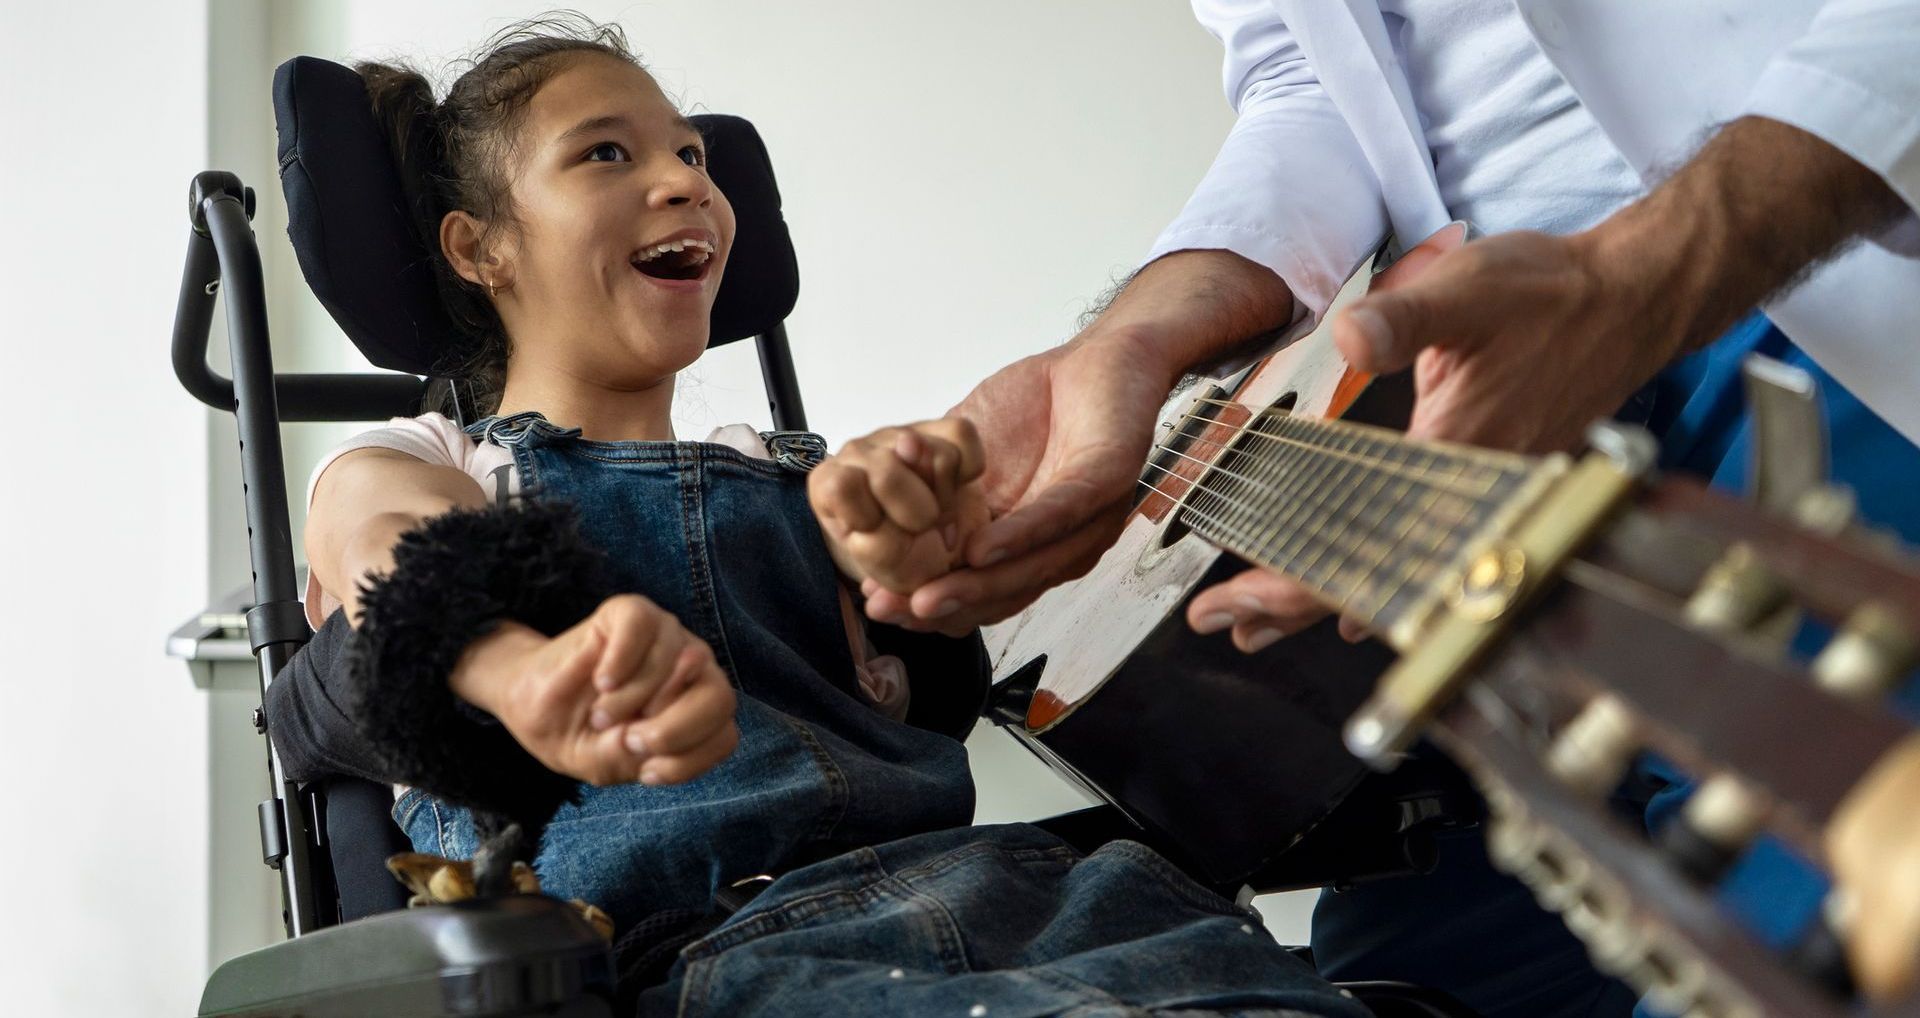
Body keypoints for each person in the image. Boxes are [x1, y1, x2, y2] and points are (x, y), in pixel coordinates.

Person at [287, 16, 1373, 1017]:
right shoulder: (437, 460)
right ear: (481, 248)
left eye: (692, 156)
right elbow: (402, 560)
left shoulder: (808, 474)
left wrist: (921, 566)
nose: (680, 180)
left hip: (1016, 889)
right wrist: (525, 676)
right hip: (694, 954)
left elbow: (920, 677)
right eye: (606, 153)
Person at [855, 2, 1920, 1016]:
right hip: (1440, 416)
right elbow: (1304, 73)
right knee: (1398, 982)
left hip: (1818, 306)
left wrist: (1637, 275)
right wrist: (1130, 345)